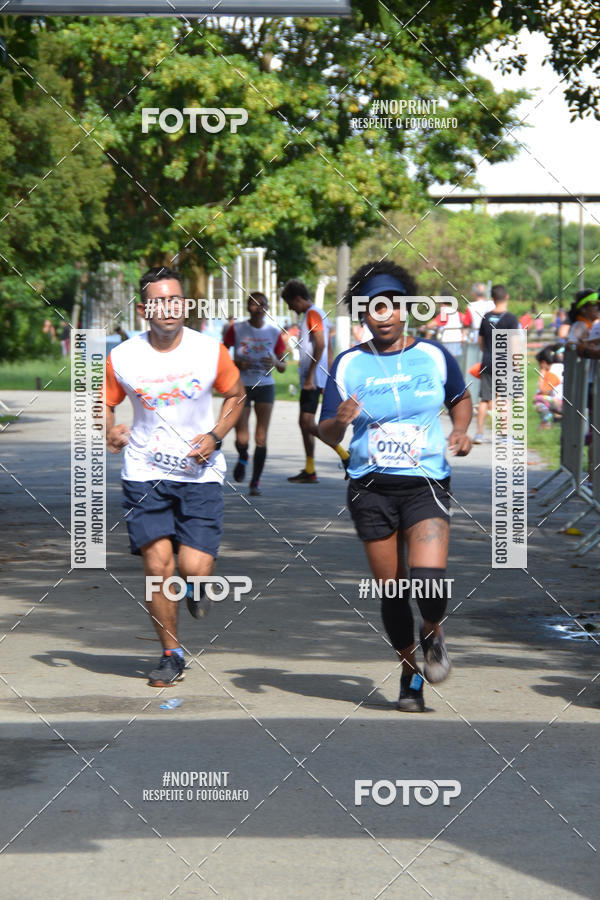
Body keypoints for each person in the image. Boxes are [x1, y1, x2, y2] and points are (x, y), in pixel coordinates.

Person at [319, 260, 472, 713]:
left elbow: (460, 401)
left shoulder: (434, 356)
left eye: (391, 305)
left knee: (428, 582)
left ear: (406, 309)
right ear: (362, 314)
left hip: (425, 483)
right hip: (370, 489)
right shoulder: (348, 364)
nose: (383, 314)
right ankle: (409, 677)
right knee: (392, 591)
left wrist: (461, 431)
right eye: (372, 307)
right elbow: (326, 432)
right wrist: (337, 423)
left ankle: (434, 632)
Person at [105, 266, 245, 687]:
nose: (169, 307)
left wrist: (217, 435)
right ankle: (170, 653)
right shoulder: (124, 356)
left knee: (193, 566)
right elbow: (104, 404)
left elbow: (236, 396)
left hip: (198, 475)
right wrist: (109, 429)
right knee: (157, 566)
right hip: (144, 473)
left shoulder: (209, 350)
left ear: (184, 304)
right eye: (159, 301)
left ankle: (197, 585)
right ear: (145, 308)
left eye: (176, 299)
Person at [282, 279, 349, 482]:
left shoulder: (312, 313)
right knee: (305, 424)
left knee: (307, 423)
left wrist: (312, 376)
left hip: (312, 379)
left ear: (298, 298)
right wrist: (328, 375)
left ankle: (345, 456)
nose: (290, 307)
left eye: (290, 303)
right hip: (318, 378)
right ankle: (310, 469)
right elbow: (327, 346)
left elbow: (320, 344)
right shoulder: (316, 314)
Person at [223, 292, 287, 495]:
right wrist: (235, 363)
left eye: (263, 305)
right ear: (247, 307)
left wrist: (275, 362)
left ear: (267, 308)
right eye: (254, 304)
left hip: (265, 386)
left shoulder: (273, 332)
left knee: (261, 437)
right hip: (241, 386)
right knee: (242, 438)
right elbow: (222, 354)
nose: (259, 308)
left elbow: (283, 365)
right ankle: (243, 457)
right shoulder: (238, 329)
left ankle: (255, 482)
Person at [473, 284, 519, 444]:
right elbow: (514, 344)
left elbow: (480, 340)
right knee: (504, 399)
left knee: (485, 399)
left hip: (487, 360)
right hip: (504, 363)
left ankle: (478, 433)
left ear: (492, 299)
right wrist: (516, 363)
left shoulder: (486, 317)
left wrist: (487, 353)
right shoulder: (511, 318)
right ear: (507, 297)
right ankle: (503, 435)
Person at [533, 347, 563, 428]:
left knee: (538, 399)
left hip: (562, 404)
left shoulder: (553, 371)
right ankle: (556, 420)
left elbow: (544, 391)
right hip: (567, 402)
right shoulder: (560, 367)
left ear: (543, 363)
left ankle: (546, 423)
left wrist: (541, 376)